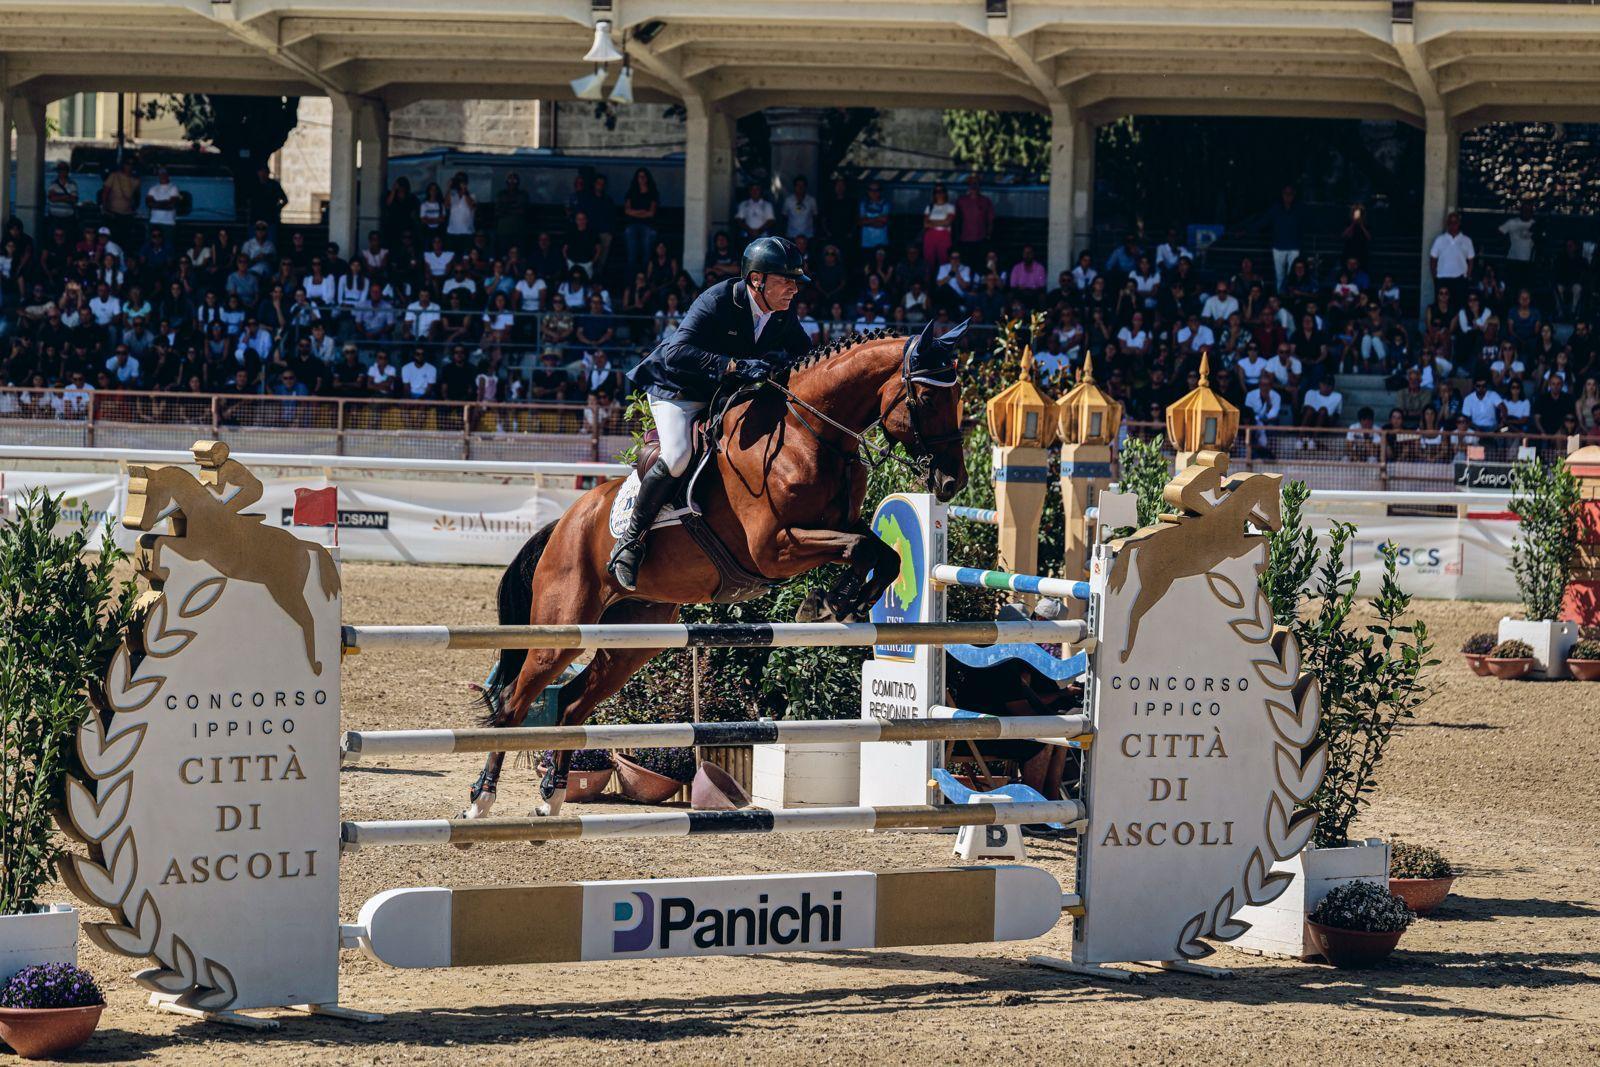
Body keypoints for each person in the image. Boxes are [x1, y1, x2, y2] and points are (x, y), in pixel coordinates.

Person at [611, 235, 814, 590]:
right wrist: (733, 365)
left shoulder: (782, 315)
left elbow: (807, 357)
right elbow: (676, 352)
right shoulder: (718, 299)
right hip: (678, 391)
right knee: (678, 456)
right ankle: (630, 543)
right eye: (786, 280)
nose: (794, 289)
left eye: (796, 281)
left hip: (722, 395)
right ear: (757, 280)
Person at [1429, 212, 1475, 310]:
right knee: (1441, 308)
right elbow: (1433, 259)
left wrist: (1467, 276)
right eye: (1450, 222)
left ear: (1459, 223)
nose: (1452, 225)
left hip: (1460, 280)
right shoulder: (1439, 240)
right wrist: (1435, 277)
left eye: (1455, 222)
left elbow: (1471, 260)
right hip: (1442, 279)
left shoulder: (1467, 240)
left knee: (1459, 307)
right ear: (1447, 224)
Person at [622, 168, 660, 273]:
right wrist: (642, 212)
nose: (642, 179)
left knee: (647, 251)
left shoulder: (652, 193)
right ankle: (631, 275)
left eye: (644, 176)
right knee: (631, 253)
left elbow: (651, 213)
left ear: (647, 178)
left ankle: (645, 273)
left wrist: (635, 212)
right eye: (639, 176)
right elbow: (627, 210)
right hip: (632, 224)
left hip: (648, 225)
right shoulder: (631, 192)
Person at [953, 175, 993, 264]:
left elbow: (990, 220)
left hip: (981, 239)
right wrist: (957, 237)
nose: (973, 186)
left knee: (979, 263)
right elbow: (956, 220)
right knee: (966, 263)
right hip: (964, 239)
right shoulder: (961, 201)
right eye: (971, 184)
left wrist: (988, 236)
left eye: (976, 183)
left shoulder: (986, 201)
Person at [1498, 203, 1536, 294]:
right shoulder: (1512, 222)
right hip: (1513, 261)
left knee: (1526, 290)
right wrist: (1506, 243)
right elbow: (1499, 232)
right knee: (1512, 288)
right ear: (1521, 211)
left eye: (1529, 210)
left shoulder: (1535, 224)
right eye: (1525, 210)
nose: (1526, 212)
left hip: (1529, 263)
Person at [921, 183, 956, 266]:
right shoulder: (929, 207)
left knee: (944, 259)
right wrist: (941, 222)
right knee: (928, 260)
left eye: (941, 191)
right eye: (936, 191)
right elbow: (926, 224)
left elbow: (947, 222)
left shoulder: (950, 207)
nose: (939, 194)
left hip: (944, 235)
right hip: (930, 235)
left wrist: (932, 222)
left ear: (945, 193)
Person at [782, 176, 818, 242]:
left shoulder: (811, 200)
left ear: (805, 187)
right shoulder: (788, 200)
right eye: (798, 185)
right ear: (794, 187)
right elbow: (784, 217)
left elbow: (815, 216)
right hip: (792, 235)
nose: (800, 187)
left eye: (802, 185)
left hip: (808, 235)